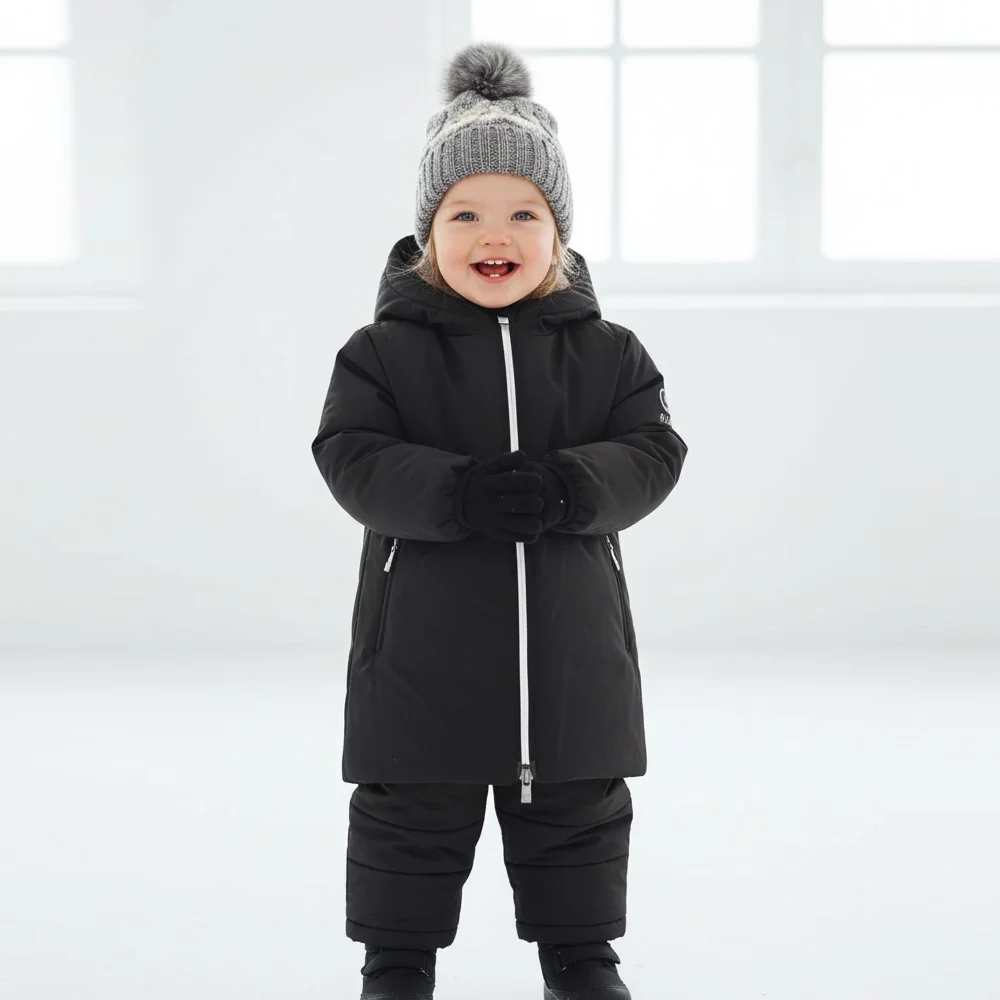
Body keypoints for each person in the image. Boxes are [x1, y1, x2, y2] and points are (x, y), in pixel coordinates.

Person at [311, 39, 688, 1000]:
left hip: (571, 647)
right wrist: (457, 493)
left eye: (525, 213)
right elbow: (351, 456)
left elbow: (653, 452)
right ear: (427, 233)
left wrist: (570, 487)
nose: (496, 233)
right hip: (421, 650)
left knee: (578, 805)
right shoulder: (381, 353)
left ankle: (582, 958)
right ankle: (397, 964)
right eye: (465, 212)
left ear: (558, 232)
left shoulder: (609, 352)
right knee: (410, 809)